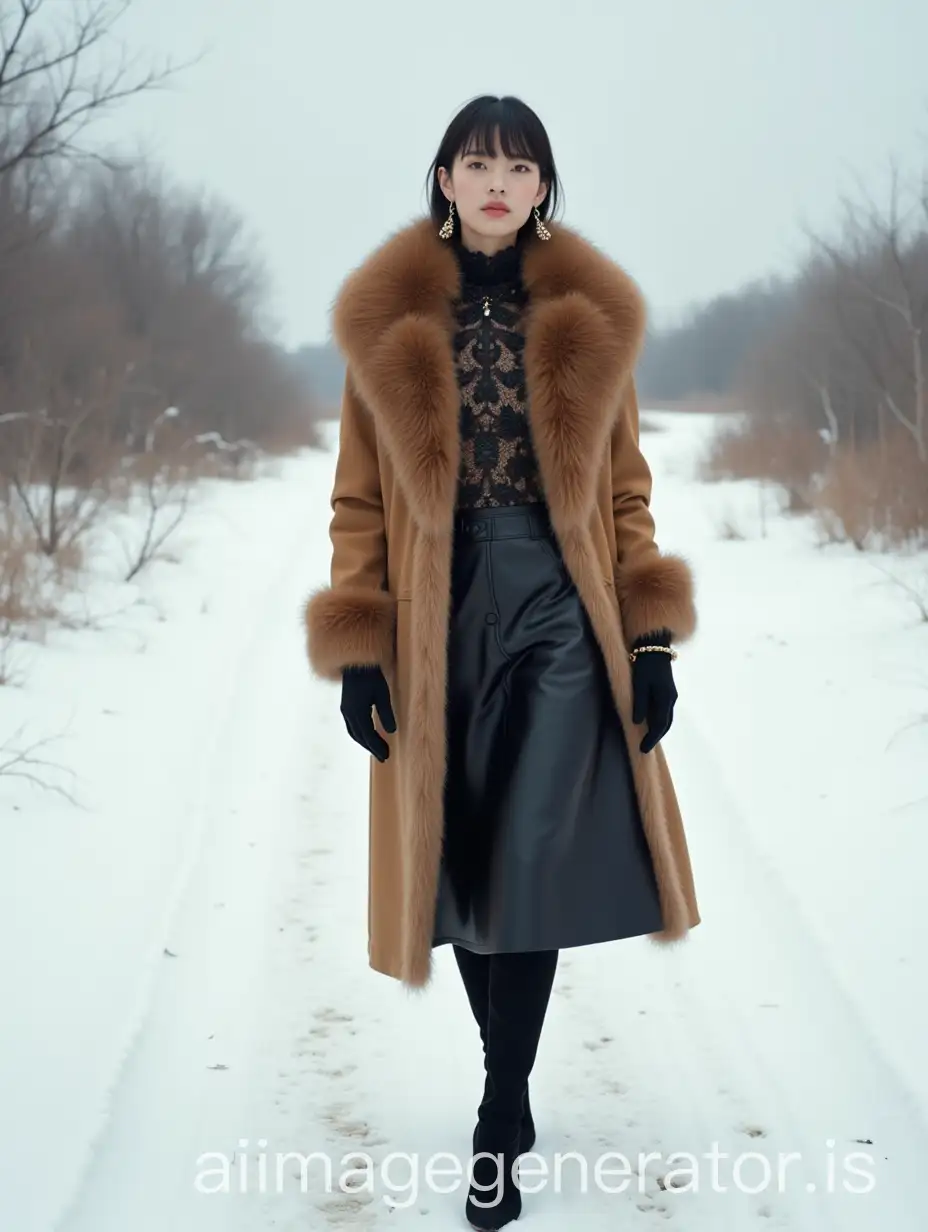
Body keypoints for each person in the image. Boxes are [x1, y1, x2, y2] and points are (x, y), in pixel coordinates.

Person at [303, 94, 701, 1230]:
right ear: (442, 178)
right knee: (466, 858)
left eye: (516, 167)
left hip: (558, 613)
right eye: (475, 162)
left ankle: (497, 1113)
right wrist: (360, 651)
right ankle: (508, 1074)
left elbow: (625, 491)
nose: (494, 182)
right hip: (436, 608)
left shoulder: (588, 318)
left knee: (527, 852)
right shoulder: (384, 319)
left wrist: (648, 634)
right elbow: (357, 500)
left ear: (540, 188)